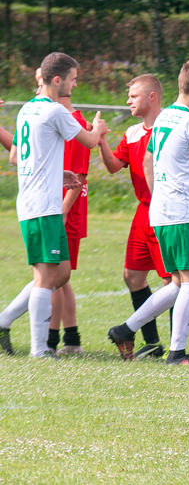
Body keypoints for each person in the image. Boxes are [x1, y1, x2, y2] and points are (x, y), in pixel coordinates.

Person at [107, 59, 189, 365]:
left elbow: (149, 161)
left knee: (178, 282)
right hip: (180, 211)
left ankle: (126, 329)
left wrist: (158, 192)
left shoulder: (164, 119)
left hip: (160, 210)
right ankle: (176, 353)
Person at [0, 52, 106, 357]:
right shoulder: (57, 111)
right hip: (42, 207)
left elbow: (22, 156)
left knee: (60, 273)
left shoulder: (26, 110)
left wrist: (59, 173)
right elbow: (88, 141)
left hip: (38, 202)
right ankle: (40, 350)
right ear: (57, 79)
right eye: (73, 79)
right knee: (46, 277)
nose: (75, 85)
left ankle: (6, 320)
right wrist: (97, 127)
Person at [97, 74, 172, 359]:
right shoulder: (132, 133)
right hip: (143, 213)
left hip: (166, 212)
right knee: (133, 277)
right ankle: (152, 343)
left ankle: (179, 346)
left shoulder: (172, 126)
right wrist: (102, 140)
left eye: (134, 96)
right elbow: (115, 166)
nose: (128, 101)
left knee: (173, 282)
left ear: (152, 96)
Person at [48, 68, 91, 355]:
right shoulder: (55, 120)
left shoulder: (73, 124)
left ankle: (49, 342)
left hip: (66, 212)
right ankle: (71, 340)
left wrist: (62, 213)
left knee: (53, 277)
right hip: (57, 209)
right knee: (59, 279)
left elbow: (78, 176)